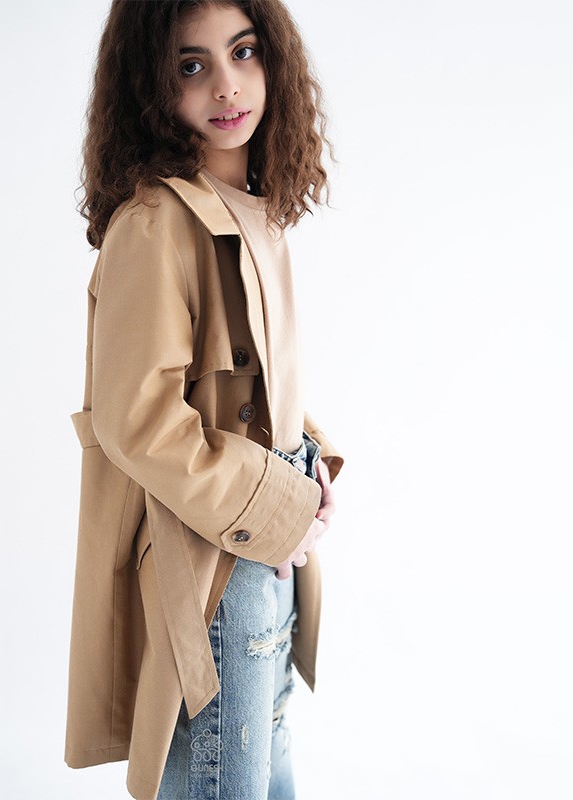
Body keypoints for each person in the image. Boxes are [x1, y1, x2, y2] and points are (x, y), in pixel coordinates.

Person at [64, 1, 344, 798]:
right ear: (150, 84)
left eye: (243, 51)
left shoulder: (251, 205)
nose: (226, 84)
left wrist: (310, 462)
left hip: (267, 555)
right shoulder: (155, 223)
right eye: (192, 65)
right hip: (215, 575)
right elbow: (140, 420)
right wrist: (282, 504)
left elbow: (249, 382)